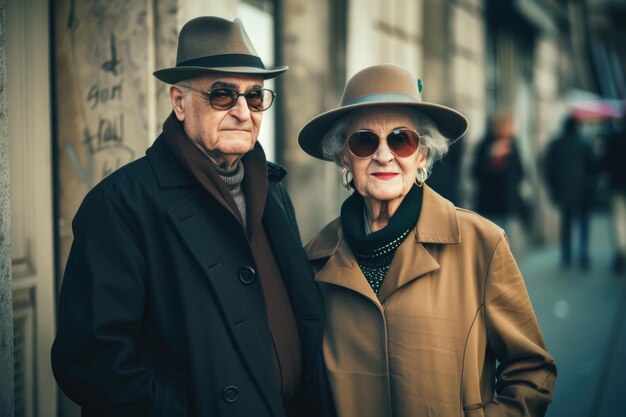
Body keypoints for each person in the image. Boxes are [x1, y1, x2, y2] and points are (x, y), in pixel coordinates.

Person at [51, 16, 332, 417]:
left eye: (254, 96)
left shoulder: (273, 191)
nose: (242, 111)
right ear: (179, 103)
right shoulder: (120, 205)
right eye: (222, 95)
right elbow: (91, 363)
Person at [298, 64, 556, 417]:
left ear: (422, 155)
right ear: (344, 156)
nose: (384, 155)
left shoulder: (481, 244)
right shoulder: (314, 259)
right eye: (364, 140)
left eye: (401, 139)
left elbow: (531, 371)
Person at [545, 115, 597, 270]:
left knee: (566, 224)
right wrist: (591, 187)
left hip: (564, 191)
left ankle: (566, 255)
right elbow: (593, 168)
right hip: (583, 192)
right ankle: (583, 254)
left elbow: (548, 168)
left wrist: (554, 188)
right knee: (583, 223)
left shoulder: (557, 144)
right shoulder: (585, 143)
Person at [471, 111, 527, 230]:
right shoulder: (485, 144)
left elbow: (521, 173)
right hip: (488, 203)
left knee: (506, 242)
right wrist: (491, 158)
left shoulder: (513, 145)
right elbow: (475, 173)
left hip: (508, 204)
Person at [601, 115, 626, 275]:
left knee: (619, 221)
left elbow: (605, 162)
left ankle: (621, 253)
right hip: (617, 185)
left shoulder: (614, 138)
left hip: (617, 185)